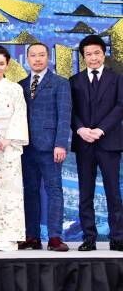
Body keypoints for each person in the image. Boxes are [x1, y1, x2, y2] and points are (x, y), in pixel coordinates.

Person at [70, 35, 123, 252]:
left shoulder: (117, 79)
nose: (93, 58)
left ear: (104, 54)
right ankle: (89, 237)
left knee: (113, 192)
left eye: (97, 53)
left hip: (109, 142)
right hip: (84, 143)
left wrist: (101, 130)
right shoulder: (74, 81)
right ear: (83, 57)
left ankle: (117, 237)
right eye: (88, 54)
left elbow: (120, 107)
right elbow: (70, 110)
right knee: (85, 193)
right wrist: (81, 129)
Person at [18, 42, 71, 252]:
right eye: (33, 55)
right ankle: (32, 236)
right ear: (27, 59)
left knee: (54, 191)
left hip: (50, 147)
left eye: (41, 55)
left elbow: (64, 116)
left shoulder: (60, 83)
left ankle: (55, 237)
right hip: (26, 147)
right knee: (30, 191)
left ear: (48, 58)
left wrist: (61, 144)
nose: (37, 59)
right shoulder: (20, 85)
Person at [0, 46, 28, 251]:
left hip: (9, 146)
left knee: (12, 191)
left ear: (7, 65)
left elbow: (20, 115)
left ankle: (12, 237)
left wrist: (8, 139)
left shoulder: (15, 89)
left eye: (1, 63)